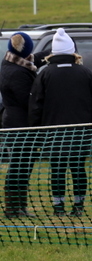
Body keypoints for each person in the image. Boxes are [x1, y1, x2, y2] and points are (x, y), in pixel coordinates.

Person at [29, 28, 92, 217]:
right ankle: (78, 207)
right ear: (73, 52)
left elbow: (35, 107)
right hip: (81, 133)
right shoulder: (86, 73)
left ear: (52, 53)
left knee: (57, 170)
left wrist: (36, 134)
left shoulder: (44, 75)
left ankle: (58, 207)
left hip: (53, 133)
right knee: (78, 168)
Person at [1, 32, 41, 218]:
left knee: (22, 165)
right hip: (21, 125)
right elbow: (27, 101)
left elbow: (35, 61)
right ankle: (13, 208)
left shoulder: (10, 64)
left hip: (15, 123)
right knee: (20, 166)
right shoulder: (18, 73)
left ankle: (19, 206)